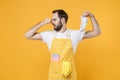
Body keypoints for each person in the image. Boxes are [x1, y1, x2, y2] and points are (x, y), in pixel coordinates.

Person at [24, 9, 101, 80]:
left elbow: (97, 32)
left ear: (63, 20)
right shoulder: (49, 35)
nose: (52, 22)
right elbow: (27, 35)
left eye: (54, 20)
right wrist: (42, 23)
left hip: (69, 76)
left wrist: (92, 17)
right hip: (53, 76)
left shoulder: (74, 34)